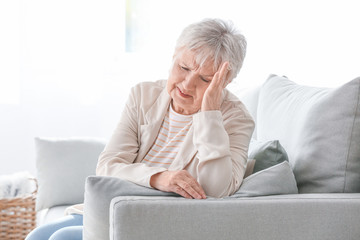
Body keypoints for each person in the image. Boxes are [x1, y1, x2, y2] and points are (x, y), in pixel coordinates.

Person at [26, 18, 254, 240]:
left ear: (224, 82)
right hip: (114, 207)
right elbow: (107, 167)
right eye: (183, 67)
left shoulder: (236, 119)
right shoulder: (143, 95)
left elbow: (217, 190)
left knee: (63, 237)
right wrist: (158, 178)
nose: (187, 84)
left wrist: (209, 116)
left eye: (205, 79)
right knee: (39, 235)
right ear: (173, 55)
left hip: (160, 218)